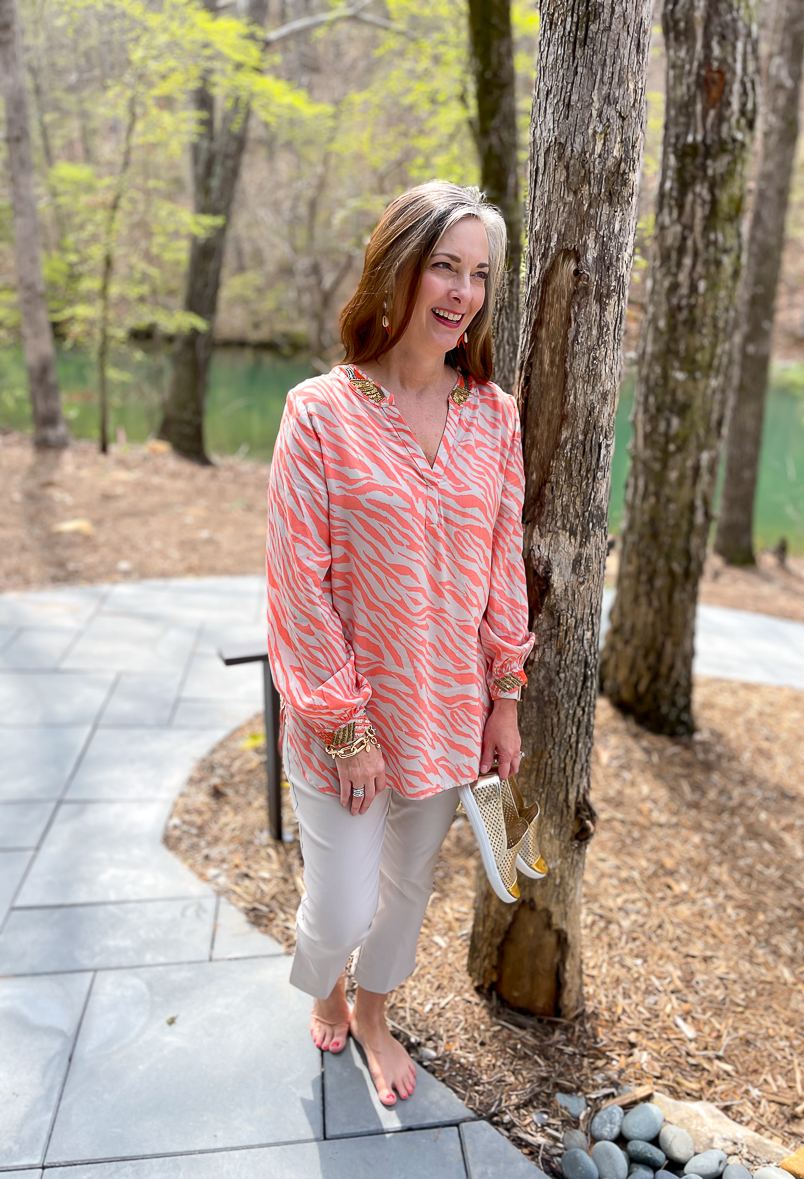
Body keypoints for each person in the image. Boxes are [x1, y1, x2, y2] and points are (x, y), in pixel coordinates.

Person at [266, 180, 534, 1108]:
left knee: (408, 888)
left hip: (449, 710)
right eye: (444, 267)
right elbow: (298, 587)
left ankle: (372, 1011)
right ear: (398, 270)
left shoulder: (494, 416)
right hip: (341, 720)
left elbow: (504, 570)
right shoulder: (319, 414)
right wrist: (346, 728)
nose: (461, 293)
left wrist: (505, 699)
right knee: (339, 904)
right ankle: (327, 987)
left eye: (479, 275)